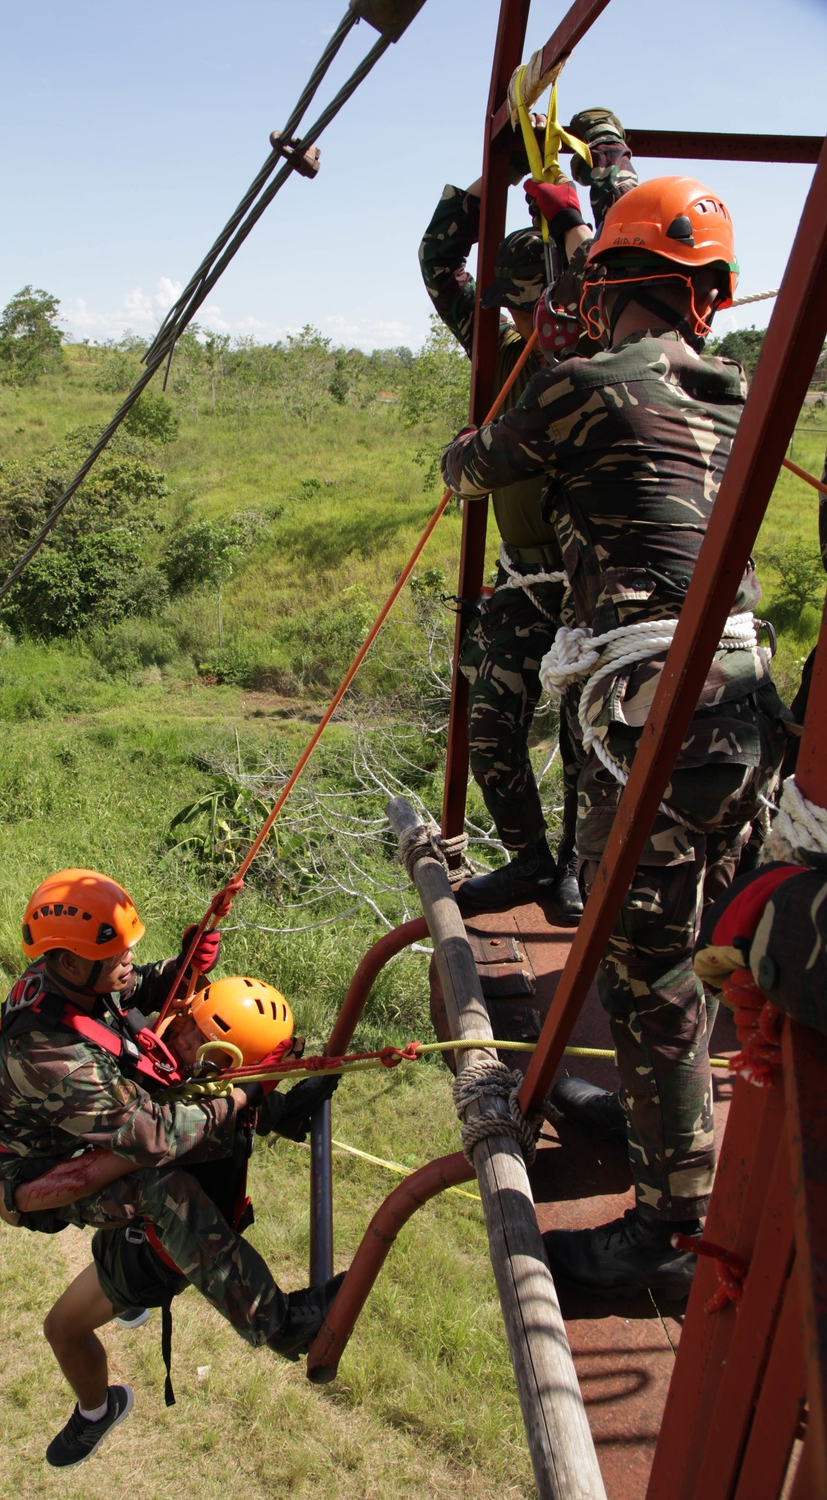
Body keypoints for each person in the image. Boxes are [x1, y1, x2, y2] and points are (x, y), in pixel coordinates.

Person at [441, 176, 790, 1298]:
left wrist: (541, 359)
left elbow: (469, 466)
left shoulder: (580, 386)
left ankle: (669, 1232)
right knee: (701, 936)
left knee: (645, 971)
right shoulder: (742, 391)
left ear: (607, 288)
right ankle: (672, 1139)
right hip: (744, 699)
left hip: (655, 704)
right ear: (710, 297)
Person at [0, 869, 340, 1466]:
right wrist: (247, 1094)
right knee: (165, 1184)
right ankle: (281, 1324)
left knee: (174, 1069)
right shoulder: (53, 1057)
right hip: (46, 1177)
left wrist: (177, 970)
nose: (128, 958)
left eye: (128, 946)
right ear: (69, 961)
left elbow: (124, 1001)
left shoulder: (66, 978)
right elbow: (154, 1137)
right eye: (115, 953)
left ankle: (272, 1120)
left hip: (78, 1131)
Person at [417, 110, 638, 922]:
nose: (517, 325)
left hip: (588, 577)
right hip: (524, 574)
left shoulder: (598, 357)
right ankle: (530, 860)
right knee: (493, 720)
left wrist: (595, 177)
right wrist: (495, 177)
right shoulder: (503, 358)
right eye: (507, 313)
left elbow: (620, 265)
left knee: (583, 726)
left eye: (525, 309)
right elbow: (439, 260)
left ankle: (579, 868)